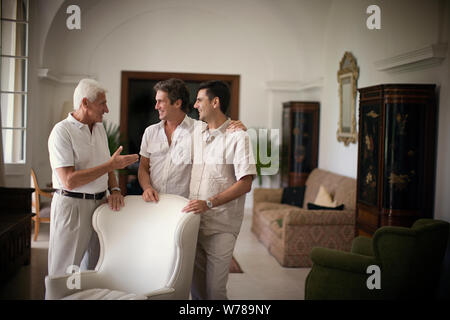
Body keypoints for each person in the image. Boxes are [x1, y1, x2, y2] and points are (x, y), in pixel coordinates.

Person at [47, 79, 139, 276]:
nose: (106, 109)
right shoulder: (61, 131)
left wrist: (114, 189)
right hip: (72, 206)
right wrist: (110, 165)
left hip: (100, 205)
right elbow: (69, 180)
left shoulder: (99, 129)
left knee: (94, 269)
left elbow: (108, 165)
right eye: (102, 103)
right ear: (85, 103)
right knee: (65, 271)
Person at [182, 80, 256, 300]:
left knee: (215, 292)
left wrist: (210, 203)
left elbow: (246, 183)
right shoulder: (196, 133)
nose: (195, 105)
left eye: (199, 100)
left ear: (215, 102)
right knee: (196, 292)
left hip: (221, 225)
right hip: (194, 223)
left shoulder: (239, 137)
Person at [138, 78, 245, 201]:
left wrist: (238, 127)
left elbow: (223, 132)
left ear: (177, 103)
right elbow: (143, 167)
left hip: (182, 206)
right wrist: (147, 188)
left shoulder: (201, 129)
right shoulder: (150, 132)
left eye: (161, 102)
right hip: (154, 203)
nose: (156, 106)